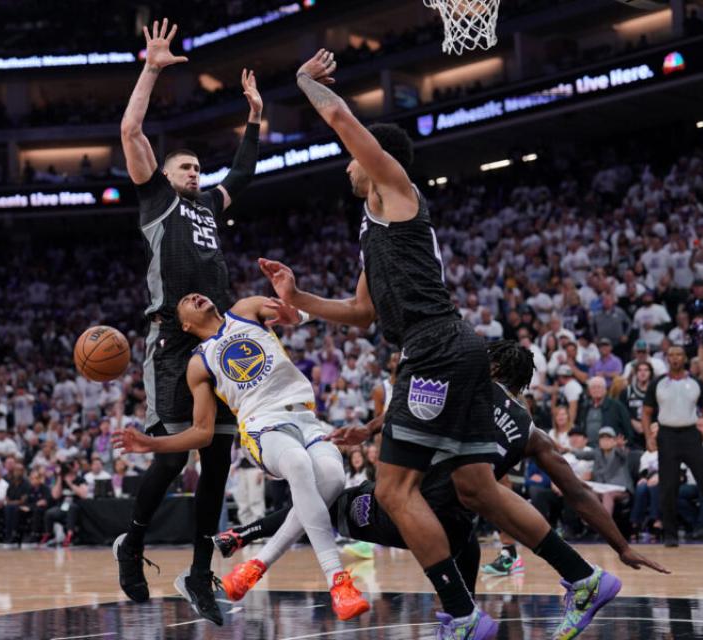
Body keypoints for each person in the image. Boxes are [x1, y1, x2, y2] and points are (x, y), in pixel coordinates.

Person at [259, 49, 620, 639]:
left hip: (434, 350)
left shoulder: (395, 189)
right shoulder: (373, 229)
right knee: (476, 486)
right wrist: (298, 297)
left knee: (393, 489)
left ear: (371, 159)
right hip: (456, 348)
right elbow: (361, 312)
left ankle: (462, 614)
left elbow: (342, 122)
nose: (346, 169)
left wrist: (302, 81)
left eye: (352, 160)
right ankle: (584, 579)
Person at [213, 341, 667, 596]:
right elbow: (580, 494)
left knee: (325, 502)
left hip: (409, 510)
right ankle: (461, 618)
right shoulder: (533, 433)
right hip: (455, 525)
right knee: (465, 541)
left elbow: (410, 408)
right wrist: (621, 546)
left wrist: (367, 429)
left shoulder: (466, 390)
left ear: (490, 366)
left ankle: (241, 536)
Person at [114, 18, 264, 624]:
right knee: (174, 456)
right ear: (166, 174)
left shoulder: (208, 205)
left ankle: (200, 573)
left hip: (217, 337)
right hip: (173, 340)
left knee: (218, 460)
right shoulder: (157, 199)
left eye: (199, 169)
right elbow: (130, 130)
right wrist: (151, 69)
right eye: (186, 169)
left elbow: (243, 175)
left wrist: (255, 119)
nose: (195, 175)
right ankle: (132, 542)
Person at [112, 294, 370, 622]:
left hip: (306, 417)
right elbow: (202, 432)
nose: (194, 297)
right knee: (298, 465)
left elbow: (297, 312)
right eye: (186, 302)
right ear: (186, 325)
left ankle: (254, 566)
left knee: (332, 479)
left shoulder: (245, 310)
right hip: (262, 427)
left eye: (196, 295)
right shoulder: (199, 362)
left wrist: (298, 307)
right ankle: (338, 580)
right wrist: (152, 443)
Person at [642, 345, 703, 546]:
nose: (675, 358)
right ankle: (670, 534)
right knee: (668, 487)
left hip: (691, 434)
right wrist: (648, 437)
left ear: (685, 358)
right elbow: (646, 412)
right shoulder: (657, 383)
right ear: (667, 359)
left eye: (679, 354)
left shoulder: (696, 383)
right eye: (671, 355)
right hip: (667, 435)